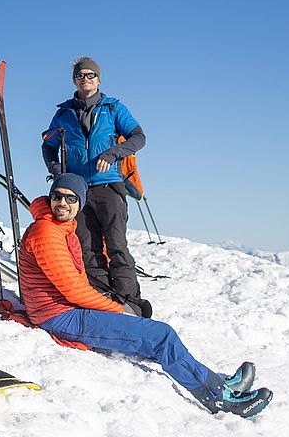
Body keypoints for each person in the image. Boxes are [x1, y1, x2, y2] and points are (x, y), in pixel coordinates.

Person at [18, 173, 272, 418]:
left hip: (63, 310)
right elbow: (72, 289)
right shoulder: (47, 232)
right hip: (59, 316)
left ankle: (216, 381)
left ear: (80, 204)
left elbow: (74, 284)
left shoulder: (60, 228)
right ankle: (218, 397)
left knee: (149, 334)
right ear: (50, 198)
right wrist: (115, 309)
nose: (63, 203)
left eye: (71, 198)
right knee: (160, 336)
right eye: (58, 196)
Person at [42, 57, 149, 314]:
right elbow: (48, 146)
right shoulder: (63, 114)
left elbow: (139, 137)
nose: (85, 79)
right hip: (77, 192)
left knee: (116, 245)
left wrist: (113, 153)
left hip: (109, 186)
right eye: (80, 75)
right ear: (74, 80)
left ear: (98, 79)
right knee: (87, 248)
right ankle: (102, 297)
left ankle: (129, 301)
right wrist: (58, 173)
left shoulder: (113, 108)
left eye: (90, 75)